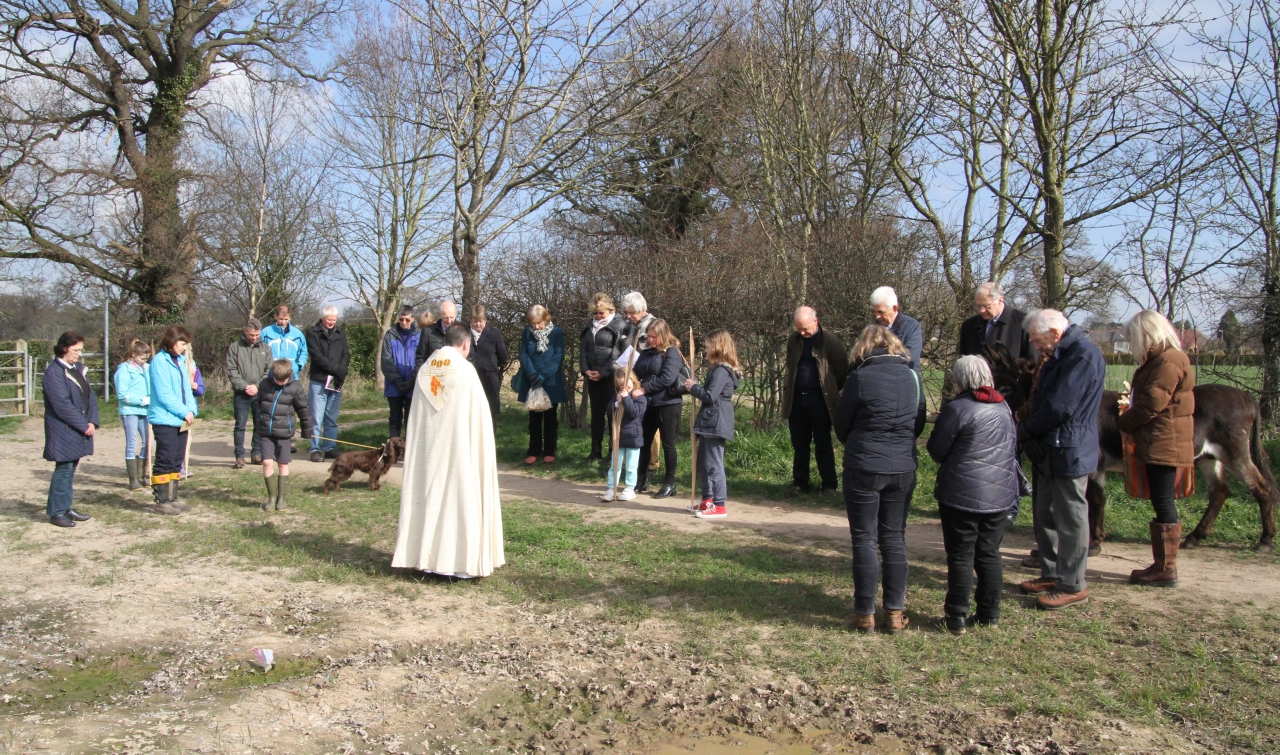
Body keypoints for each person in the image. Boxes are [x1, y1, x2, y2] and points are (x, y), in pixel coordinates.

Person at [834, 325, 927, 634]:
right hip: (901, 466)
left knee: (864, 538)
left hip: (864, 463)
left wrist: (862, 442)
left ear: (863, 349)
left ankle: (864, 613)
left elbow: (842, 424)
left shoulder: (859, 378)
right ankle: (895, 612)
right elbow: (919, 420)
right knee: (894, 538)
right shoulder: (913, 377)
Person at [392, 323, 504, 578]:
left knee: (428, 495)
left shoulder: (425, 369)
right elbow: (480, 418)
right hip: (460, 452)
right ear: (466, 344)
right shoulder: (465, 371)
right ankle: (460, 565)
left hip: (429, 451)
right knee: (460, 497)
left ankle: (426, 560)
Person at [1017, 309, 1106, 610]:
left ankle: (1073, 583)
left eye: (1038, 340)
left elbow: (1060, 406)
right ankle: (1053, 571)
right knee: (1045, 512)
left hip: (1070, 446)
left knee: (1071, 517)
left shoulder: (1082, 356)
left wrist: (1025, 430)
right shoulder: (1060, 354)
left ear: (1055, 333)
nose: (1036, 347)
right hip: (1050, 447)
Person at [927, 356, 1021, 635]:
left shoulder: (957, 408)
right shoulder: (1003, 406)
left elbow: (936, 450)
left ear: (959, 380)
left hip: (961, 493)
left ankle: (957, 616)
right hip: (999, 493)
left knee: (960, 555)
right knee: (990, 554)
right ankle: (990, 613)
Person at [1117, 310, 1195, 588]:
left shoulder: (1168, 360)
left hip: (1165, 440)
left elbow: (1151, 403)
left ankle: (1166, 569)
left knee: (1163, 502)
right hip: (1161, 438)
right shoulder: (1163, 359)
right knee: (1161, 501)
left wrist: (1124, 422)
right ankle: (1163, 565)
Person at [782, 306, 848, 498]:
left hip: (821, 401)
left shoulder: (830, 341)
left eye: (805, 329)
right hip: (797, 399)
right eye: (798, 328)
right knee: (799, 444)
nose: (802, 332)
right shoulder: (793, 340)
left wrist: (832, 392)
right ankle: (800, 483)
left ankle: (829, 485)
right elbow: (790, 366)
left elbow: (841, 370)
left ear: (815, 321)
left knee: (823, 443)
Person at [42, 331, 99, 528]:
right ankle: (56, 511)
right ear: (65, 348)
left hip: (78, 427)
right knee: (63, 468)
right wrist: (83, 425)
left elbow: (90, 397)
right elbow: (62, 405)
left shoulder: (77, 369)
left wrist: (92, 421)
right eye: (76, 350)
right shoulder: (53, 373)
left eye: (80, 350)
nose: (79, 354)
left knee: (71, 468)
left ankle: (66, 507)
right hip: (63, 429)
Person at [685, 329, 742, 519]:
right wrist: (696, 386)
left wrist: (693, 388)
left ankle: (719, 504)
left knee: (713, 464)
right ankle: (707, 499)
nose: (707, 349)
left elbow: (710, 396)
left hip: (715, 421)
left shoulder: (721, 370)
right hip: (710, 420)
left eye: (709, 346)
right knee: (703, 462)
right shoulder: (717, 369)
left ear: (718, 346)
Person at [148, 325, 200, 516]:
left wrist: (192, 409)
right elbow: (164, 394)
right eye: (182, 343)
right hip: (165, 419)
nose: (184, 348)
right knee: (165, 458)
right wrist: (183, 411)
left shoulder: (179, 361)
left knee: (176, 460)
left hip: (181, 419)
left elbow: (186, 388)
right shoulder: (159, 362)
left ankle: (173, 498)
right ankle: (161, 501)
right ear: (172, 340)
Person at [254, 358, 315, 511]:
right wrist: (259, 420)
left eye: (284, 380)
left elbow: (304, 410)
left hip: (284, 433)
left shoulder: (295, 388)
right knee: (267, 462)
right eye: (277, 380)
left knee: (282, 464)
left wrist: (307, 430)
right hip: (266, 432)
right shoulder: (264, 385)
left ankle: (282, 498)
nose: (280, 383)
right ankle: (272, 497)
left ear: (289, 376)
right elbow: (258, 402)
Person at [633, 318, 684, 498]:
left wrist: (644, 388)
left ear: (663, 335)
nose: (651, 340)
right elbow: (637, 371)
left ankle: (670, 482)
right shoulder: (647, 352)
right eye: (649, 336)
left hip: (668, 403)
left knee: (668, 444)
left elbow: (667, 378)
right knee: (644, 442)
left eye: (654, 337)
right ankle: (642, 479)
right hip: (648, 404)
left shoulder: (672, 352)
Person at [516, 305, 566, 464]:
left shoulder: (557, 333)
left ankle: (550, 451)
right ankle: (533, 451)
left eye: (539, 323)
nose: (536, 327)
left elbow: (558, 356)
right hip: (531, 380)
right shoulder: (526, 333)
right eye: (533, 323)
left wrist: (543, 375)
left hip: (550, 380)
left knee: (551, 418)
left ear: (546, 319)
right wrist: (532, 374)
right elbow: (523, 355)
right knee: (534, 418)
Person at [580, 293, 628, 461]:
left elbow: (618, 353)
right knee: (596, 414)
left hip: (612, 377)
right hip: (593, 376)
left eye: (601, 313)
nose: (598, 316)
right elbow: (584, 348)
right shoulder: (590, 325)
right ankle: (595, 450)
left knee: (612, 413)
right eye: (595, 313)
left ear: (610, 309)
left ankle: (612, 452)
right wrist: (586, 370)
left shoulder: (621, 324)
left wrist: (603, 372)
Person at [306, 305, 351, 462]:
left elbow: (346, 354)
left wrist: (342, 371)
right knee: (317, 418)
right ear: (322, 318)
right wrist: (336, 370)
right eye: (329, 319)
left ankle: (330, 447)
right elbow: (317, 357)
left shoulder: (340, 333)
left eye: (334, 319)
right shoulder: (312, 333)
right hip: (319, 379)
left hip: (336, 381)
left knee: (331, 418)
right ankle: (316, 448)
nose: (332, 322)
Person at [226, 318, 272, 468]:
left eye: (257, 334)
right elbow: (231, 370)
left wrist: (257, 386)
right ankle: (239, 456)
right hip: (241, 393)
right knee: (240, 425)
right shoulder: (235, 347)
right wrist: (245, 386)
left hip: (260, 393)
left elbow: (269, 370)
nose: (254, 337)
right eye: (252, 334)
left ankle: (256, 453)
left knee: (259, 424)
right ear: (245, 331)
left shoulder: (265, 348)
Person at [601, 370, 646, 503]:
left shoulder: (640, 398)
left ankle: (630, 488)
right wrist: (617, 403)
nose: (623, 388)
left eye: (626, 384)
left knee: (631, 466)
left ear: (633, 380)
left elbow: (634, 413)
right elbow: (609, 410)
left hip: (633, 436)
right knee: (615, 464)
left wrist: (626, 399)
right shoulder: (617, 396)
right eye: (620, 385)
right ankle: (611, 487)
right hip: (618, 436)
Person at [113, 340, 151, 491]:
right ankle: (133, 479)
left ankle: (142, 475)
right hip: (129, 411)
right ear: (133, 354)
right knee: (132, 443)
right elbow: (122, 394)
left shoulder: (147, 369)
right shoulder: (123, 371)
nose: (144, 361)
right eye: (142, 358)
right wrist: (142, 400)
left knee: (149, 442)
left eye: (146, 359)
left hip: (145, 410)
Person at [381, 305, 421, 440]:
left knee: (410, 419)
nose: (404, 322)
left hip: (413, 384)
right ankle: (393, 448)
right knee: (395, 418)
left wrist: (411, 381)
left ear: (413, 319)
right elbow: (386, 361)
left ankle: (408, 449)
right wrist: (397, 381)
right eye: (401, 319)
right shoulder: (390, 335)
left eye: (407, 320)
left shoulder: (419, 336)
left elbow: (421, 360)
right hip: (394, 386)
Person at [468, 304, 509, 420]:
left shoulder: (494, 334)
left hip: (489, 378)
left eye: (480, 321)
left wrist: (491, 366)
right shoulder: (464, 333)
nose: (478, 324)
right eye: (475, 321)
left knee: (490, 411)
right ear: (470, 320)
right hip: (469, 377)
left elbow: (503, 356)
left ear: (485, 320)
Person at [870, 286, 922, 369]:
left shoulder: (912, 327)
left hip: (903, 378)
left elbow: (910, 359)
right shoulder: (873, 328)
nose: (877, 316)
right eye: (874, 312)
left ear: (894, 308)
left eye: (881, 312)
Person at [261, 304, 308, 379]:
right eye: (281, 319)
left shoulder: (298, 334)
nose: (283, 322)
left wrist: (299, 365)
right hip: (270, 375)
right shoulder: (265, 332)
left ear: (290, 317)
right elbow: (259, 352)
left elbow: (303, 351)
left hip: (291, 375)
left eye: (286, 319)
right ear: (275, 316)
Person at [180, 348, 205, 479]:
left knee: (187, 439)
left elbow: (201, 390)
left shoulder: (193, 367)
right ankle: (176, 467)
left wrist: (196, 387)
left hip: (190, 408)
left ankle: (183, 466)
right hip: (177, 408)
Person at [415, 299, 457, 370]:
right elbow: (420, 357)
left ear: (456, 314)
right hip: (433, 376)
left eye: (451, 317)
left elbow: (469, 357)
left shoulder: (462, 331)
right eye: (446, 317)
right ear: (439, 315)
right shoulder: (428, 331)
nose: (449, 321)